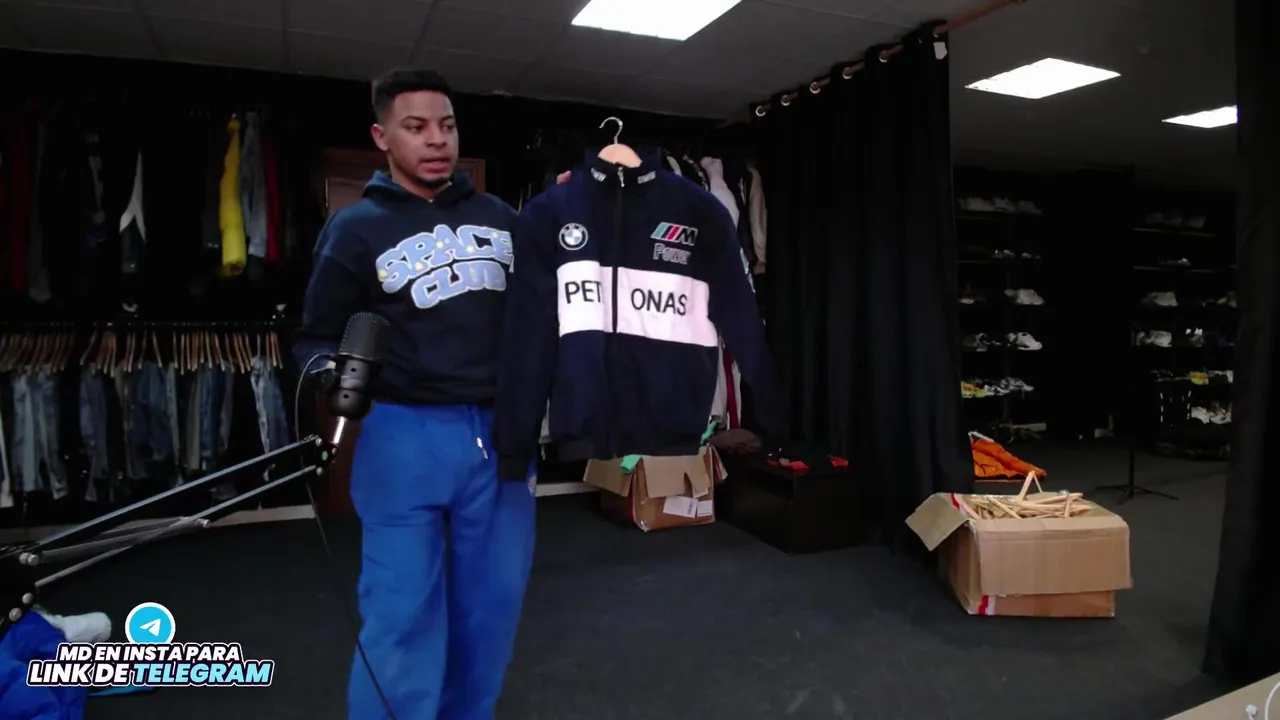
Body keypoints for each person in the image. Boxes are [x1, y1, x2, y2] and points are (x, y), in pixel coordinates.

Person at [294, 68, 536, 720]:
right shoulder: (354, 229)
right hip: (402, 435)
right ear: (383, 137)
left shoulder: (504, 220)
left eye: (447, 126)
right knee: (401, 612)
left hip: (498, 435)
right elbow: (314, 335)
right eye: (417, 127)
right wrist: (329, 375)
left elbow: (543, 315)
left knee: (490, 608)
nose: (436, 140)